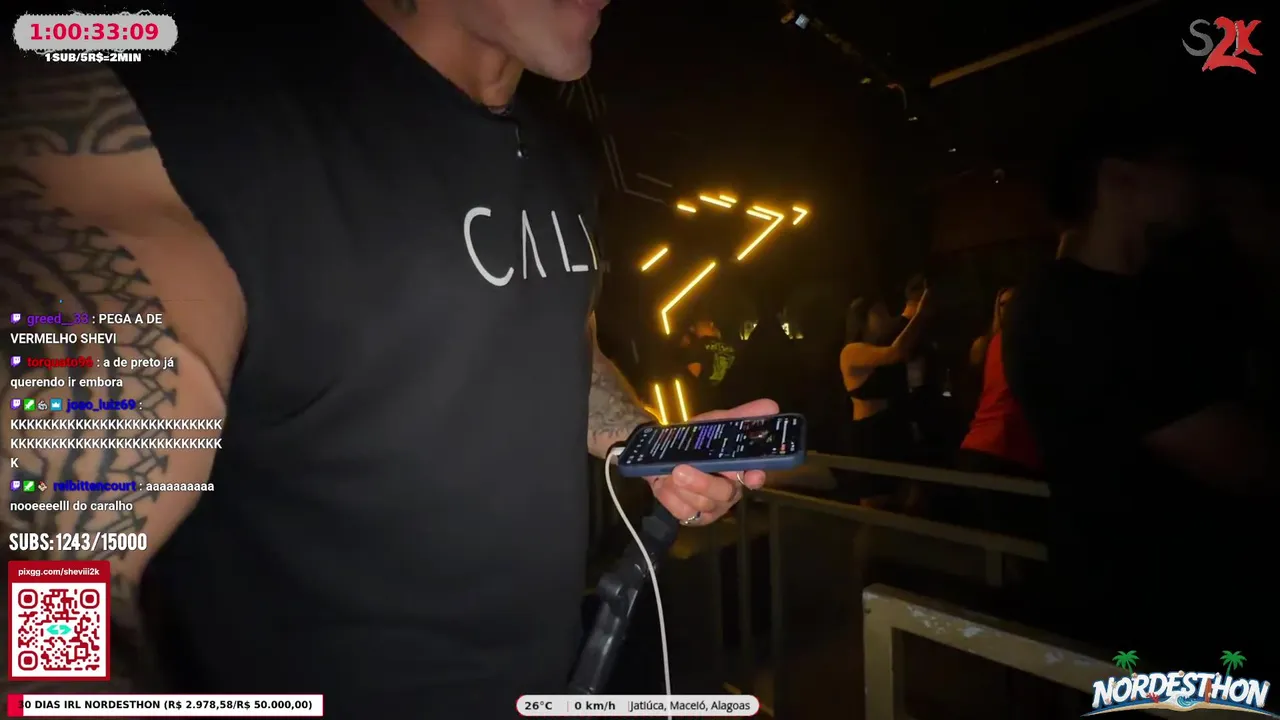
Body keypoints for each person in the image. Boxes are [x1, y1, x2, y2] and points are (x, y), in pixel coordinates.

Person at [0, 2, 775, 717]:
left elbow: (562, 334)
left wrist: (646, 443)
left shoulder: (556, 158)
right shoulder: (224, 123)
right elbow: (49, 537)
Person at [1004, 105, 1274, 669]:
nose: (1197, 181)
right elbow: (1250, 461)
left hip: (1158, 605)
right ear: (1119, 178)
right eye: (1177, 163)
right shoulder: (1083, 309)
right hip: (1165, 618)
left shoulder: (1124, 298)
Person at [838, 293, 930, 465]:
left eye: (885, 312)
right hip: (870, 433)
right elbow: (895, 352)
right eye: (878, 313)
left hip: (893, 427)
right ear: (862, 319)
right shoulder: (850, 351)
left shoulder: (879, 345)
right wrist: (921, 313)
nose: (885, 318)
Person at [958, 287, 1038, 477]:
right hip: (994, 444)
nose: (1007, 309)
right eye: (1003, 304)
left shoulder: (1027, 343)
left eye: (1012, 303)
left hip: (1006, 446)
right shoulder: (988, 344)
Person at [680, 318, 736, 410]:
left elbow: (693, 373)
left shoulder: (695, 347)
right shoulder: (731, 347)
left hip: (707, 403)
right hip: (732, 400)